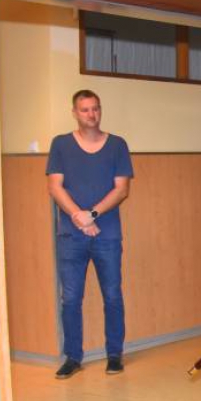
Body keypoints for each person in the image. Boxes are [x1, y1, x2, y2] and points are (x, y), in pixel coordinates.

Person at [46, 90, 134, 379]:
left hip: (107, 236)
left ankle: (114, 355)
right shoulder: (60, 144)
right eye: (84, 109)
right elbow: (55, 187)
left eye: (95, 108)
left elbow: (121, 189)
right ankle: (73, 357)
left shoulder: (117, 145)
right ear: (75, 112)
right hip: (71, 237)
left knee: (112, 295)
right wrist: (79, 217)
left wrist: (92, 214)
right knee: (71, 299)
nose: (91, 114)